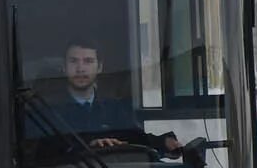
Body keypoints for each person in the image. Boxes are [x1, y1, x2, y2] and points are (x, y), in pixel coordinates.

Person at [47, 39, 179, 154]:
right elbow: (44, 150)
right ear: (64, 67)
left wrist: (163, 142)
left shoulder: (113, 107)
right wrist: (89, 145)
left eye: (88, 61)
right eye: (73, 61)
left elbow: (134, 137)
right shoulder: (48, 109)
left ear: (99, 67)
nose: (80, 68)